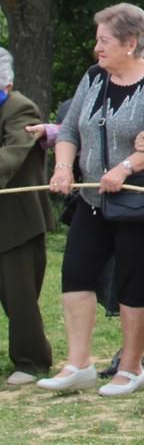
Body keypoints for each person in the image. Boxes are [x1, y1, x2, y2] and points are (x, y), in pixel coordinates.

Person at [39, 3, 144, 397]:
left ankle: (132, 368)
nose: (96, 48)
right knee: (76, 274)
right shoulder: (94, 77)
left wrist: (125, 168)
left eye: (103, 41)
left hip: (139, 202)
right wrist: (64, 168)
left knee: (134, 282)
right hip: (92, 199)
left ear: (130, 43)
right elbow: (69, 129)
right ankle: (79, 363)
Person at [0, 46, 52, 386]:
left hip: (15, 221)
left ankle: (32, 361)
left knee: (19, 295)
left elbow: (12, 155)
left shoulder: (20, 108)